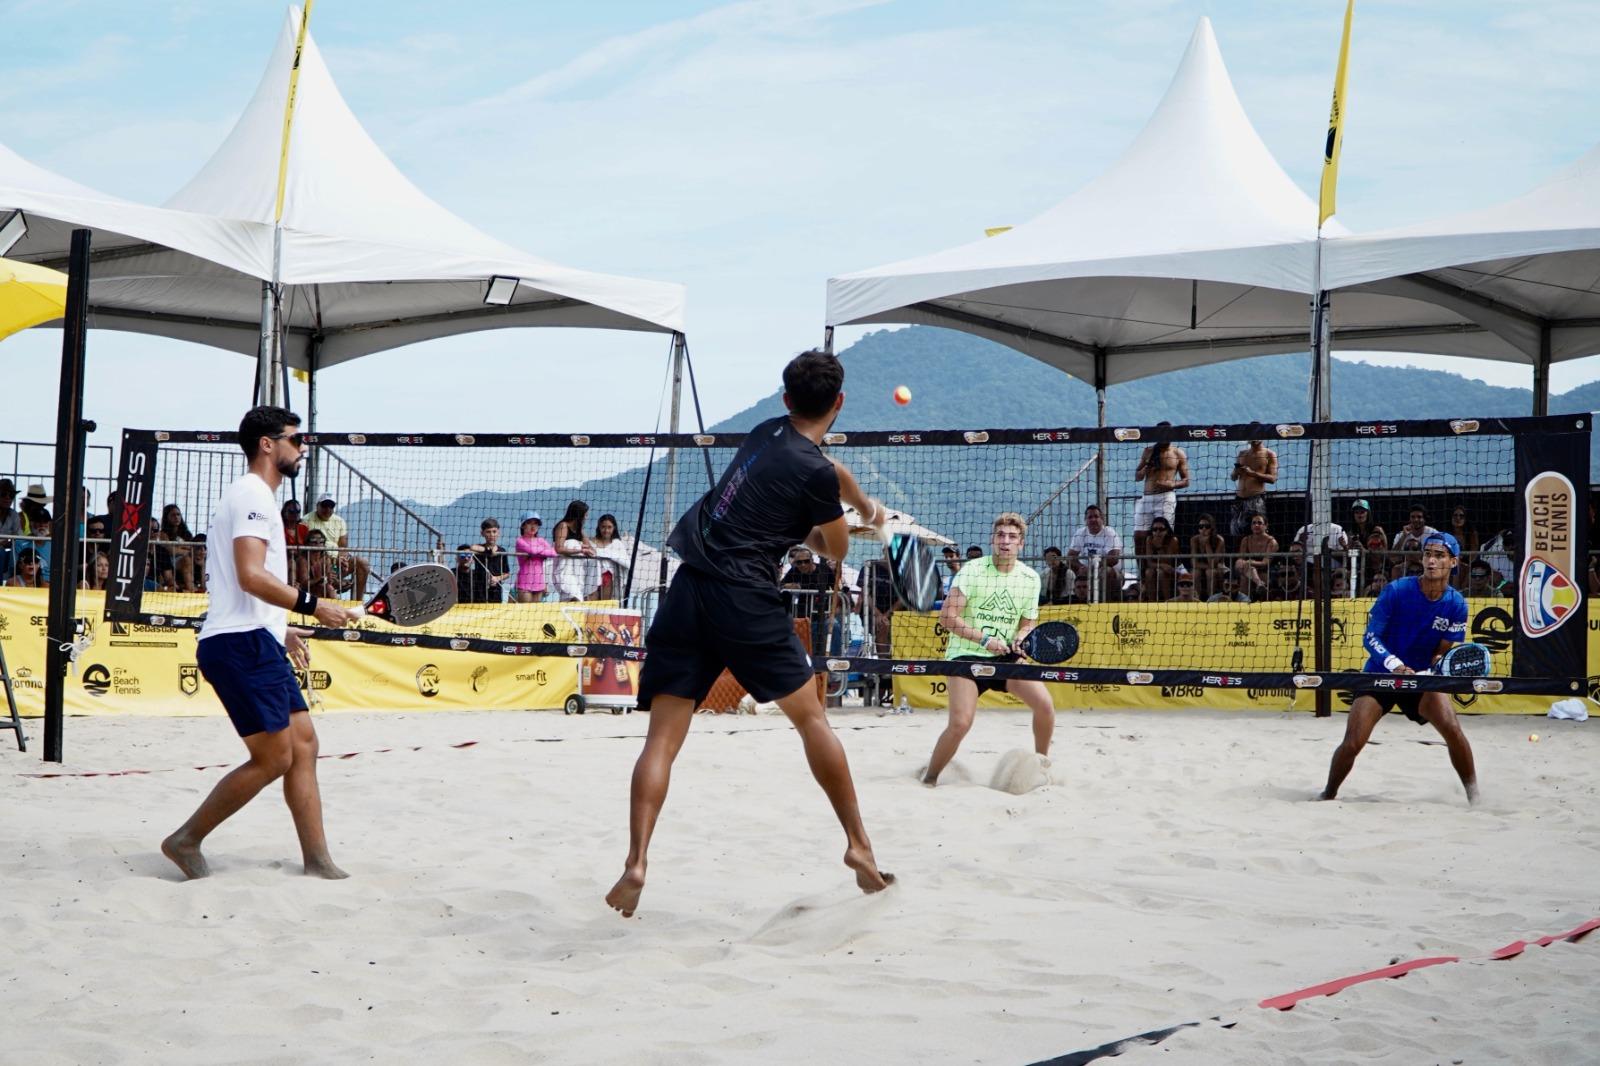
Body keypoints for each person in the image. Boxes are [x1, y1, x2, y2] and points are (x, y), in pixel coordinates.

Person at [606, 349, 892, 918]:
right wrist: (857, 524)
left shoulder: (765, 432)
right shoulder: (813, 472)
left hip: (689, 588)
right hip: (745, 598)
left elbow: (827, 472)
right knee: (812, 718)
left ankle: (636, 860)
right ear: (838, 403)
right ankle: (859, 847)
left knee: (660, 741)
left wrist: (860, 502)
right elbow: (833, 548)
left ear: (786, 400)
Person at [160, 405, 358, 881]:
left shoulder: (257, 497)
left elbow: (239, 582)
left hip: (254, 635)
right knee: (275, 757)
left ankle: (318, 861)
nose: (302, 447)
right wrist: (313, 605)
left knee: (305, 744)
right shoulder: (251, 494)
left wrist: (280, 626)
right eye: (295, 439)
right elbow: (250, 575)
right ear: (268, 445)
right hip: (238, 643)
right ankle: (185, 840)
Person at [1320, 531, 1477, 806]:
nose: (1431, 561)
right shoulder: (1397, 591)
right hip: (1381, 672)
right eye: (1428, 554)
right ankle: (1328, 793)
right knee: (1354, 741)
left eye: (1439, 556)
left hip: (1421, 680)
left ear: (1454, 562)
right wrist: (1396, 665)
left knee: (1453, 730)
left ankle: (1475, 797)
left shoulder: (1456, 605)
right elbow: (1371, 637)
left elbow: (1442, 650)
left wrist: (1435, 667)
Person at [922, 512, 1052, 787]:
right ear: (993, 540)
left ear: (1021, 544)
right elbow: (947, 617)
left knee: (1045, 706)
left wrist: (1021, 637)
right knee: (960, 723)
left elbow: (1029, 622)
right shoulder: (972, 570)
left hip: (1005, 655)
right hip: (967, 655)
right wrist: (984, 640)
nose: (1005, 541)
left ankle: (1041, 767)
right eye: (1001, 536)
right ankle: (930, 778)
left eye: (1012, 537)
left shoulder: (1030, 578)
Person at [1132, 422, 1190, 563]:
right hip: (1146, 498)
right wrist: (1144, 470)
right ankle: (1143, 572)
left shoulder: (1178, 453)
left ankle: (1165, 567)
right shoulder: (1148, 451)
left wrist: (1171, 484)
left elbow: (1186, 480)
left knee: (1164, 535)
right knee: (1139, 535)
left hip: (1165, 498)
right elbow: (1137, 476)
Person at [306, 496, 371, 598]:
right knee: (323, 564)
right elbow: (305, 548)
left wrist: (342, 560)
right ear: (317, 506)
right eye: (324, 506)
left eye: (331, 506)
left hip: (336, 562)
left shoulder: (339, 521)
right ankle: (334, 583)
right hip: (316, 562)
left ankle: (358, 602)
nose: (328, 509)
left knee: (362, 563)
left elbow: (343, 547)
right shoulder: (306, 520)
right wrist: (332, 560)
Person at [1066, 504, 1122, 601]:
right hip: (1086, 572)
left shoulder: (1109, 533)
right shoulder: (1080, 533)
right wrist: (1080, 567)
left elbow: (1114, 559)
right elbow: (1070, 557)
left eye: (1096, 516)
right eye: (1090, 517)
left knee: (1105, 571)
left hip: (1114, 575)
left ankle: (1103, 603)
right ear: (1085, 520)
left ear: (1102, 519)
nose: (1093, 520)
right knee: (1068, 567)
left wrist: (1092, 568)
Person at [1228, 439, 1277, 539]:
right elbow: (1233, 477)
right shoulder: (1242, 453)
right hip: (1239, 500)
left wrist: (1252, 473)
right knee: (1236, 532)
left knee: (1257, 531)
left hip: (1256, 499)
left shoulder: (1269, 454)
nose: (1254, 439)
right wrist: (1236, 471)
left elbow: (1272, 479)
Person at [551, 499, 596, 601]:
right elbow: (559, 548)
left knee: (574, 598)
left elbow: (591, 549)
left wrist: (585, 548)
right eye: (585, 515)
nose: (586, 518)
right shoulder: (563, 526)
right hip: (564, 569)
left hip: (577, 571)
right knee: (572, 596)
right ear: (579, 515)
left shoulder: (580, 531)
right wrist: (579, 549)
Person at [464, 518, 510, 603]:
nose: (492, 534)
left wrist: (497, 578)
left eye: (494, 531)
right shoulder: (478, 548)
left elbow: (507, 573)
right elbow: (472, 548)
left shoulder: (502, 551)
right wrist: (488, 551)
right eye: (488, 532)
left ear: (498, 532)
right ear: (482, 533)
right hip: (479, 589)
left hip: (496, 589)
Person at [513, 512, 556, 603]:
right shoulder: (520, 541)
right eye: (529, 523)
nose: (533, 526)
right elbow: (532, 550)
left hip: (539, 583)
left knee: (535, 614)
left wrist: (537, 552)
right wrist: (543, 552)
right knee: (525, 613)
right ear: (523, 525)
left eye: (536, 523)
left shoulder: (541, 540)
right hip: (525, 582)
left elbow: (553, 552)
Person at [154, 503, 196, 592]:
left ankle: (191, 587)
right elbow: (171, 550)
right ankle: (191, 588)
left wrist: (179, 548)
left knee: (188, 560)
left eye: (178, 514)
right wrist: (184, 549)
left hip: (185, 560)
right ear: (167, 517)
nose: (176, 517)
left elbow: (193, 548)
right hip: (169, 561)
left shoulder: (186, 534)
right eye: (173, 515)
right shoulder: (163, 534)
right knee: (187, 560)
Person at [589, 513, 630, 601]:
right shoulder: (591, 542)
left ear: (614, 528)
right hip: (591, 578)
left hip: (608, 578)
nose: (606, 530)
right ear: (599, 527)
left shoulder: (617, 544)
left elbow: (627, 562)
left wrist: (606, 554)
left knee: (604, 605)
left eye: (609, 527)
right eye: (603, 527)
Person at [1389, 504, 1437, 580]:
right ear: (1409, 519)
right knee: (1396, 569)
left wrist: (1419, 561)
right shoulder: (1401, 534)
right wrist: (1404, 536)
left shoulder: (1433, 534)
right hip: (1405, 568)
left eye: (1419, 517)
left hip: (1427, 567)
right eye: (1413, 517)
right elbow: (1392, 557)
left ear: (1424, 519)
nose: (1416, 519)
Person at [1235, 512, 1277, 597]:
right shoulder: (1246, 540)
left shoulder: (1271, 542)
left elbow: (1266, 563)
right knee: (1240, 564)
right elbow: (1241, 560)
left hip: (1266, 569)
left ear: (1266, 525)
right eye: (1254, 523)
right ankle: (1259, 583)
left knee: (1245, 577)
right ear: (1251, 526)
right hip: (1248, 568)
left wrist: (1250, 562)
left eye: (1259, 523)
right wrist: (1247, 563)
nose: (1256, 525)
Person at [1140, 515, 1181, 600]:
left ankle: (1167, 602)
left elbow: (1168, 562)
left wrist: (1159, 547)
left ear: (1167, 530)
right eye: (1155, 529)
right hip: (1159, 568)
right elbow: (1149, 563)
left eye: (1161, 529)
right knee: (1149, 572)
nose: (1158, 532)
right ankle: (1152, 603)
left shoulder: (1173, 540)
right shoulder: (1149, 539)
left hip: (1174, 569)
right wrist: (1161, 565)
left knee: (1162, 573)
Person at [1188, 513, 1227, 601]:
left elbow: (1213, 563)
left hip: (1219, 566)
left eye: (1207, 526)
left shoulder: (1219, 540)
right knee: (1195, 572)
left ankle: (1211, 599)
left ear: (1212, 528)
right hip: (1203, 566)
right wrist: (1207, 566)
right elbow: (1194, 563)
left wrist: (1207, 544)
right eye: (1201, 527)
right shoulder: (1194, 540)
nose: (1204, 529)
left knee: (1210, 572)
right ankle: (1196, 599)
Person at [1447, 505, 1482, 591]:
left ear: (1465, 519)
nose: (1458, 518)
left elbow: (1474, 554)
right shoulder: (1447, 534)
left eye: (1461, 516)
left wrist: (1467, 564)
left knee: (1467, 569)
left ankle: (1459, 592)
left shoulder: (1471, 534)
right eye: (1455, 515)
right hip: (1450, 564)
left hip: (1468, 565)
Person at [281, 500, 311, 589]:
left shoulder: (303, 529)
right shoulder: (280, 528)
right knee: (292, 562)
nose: (295, 514)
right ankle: (293, 586)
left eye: (298, 511)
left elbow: (308, 546)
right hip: (285, 560)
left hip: (301, 560)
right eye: (292, 511)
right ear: (284, 512)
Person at [0, 478, 20, 582]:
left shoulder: (14, 515)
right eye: (3, 494)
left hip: (8, 551)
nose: (8, 498)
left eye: (11, 495)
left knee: (19, 553)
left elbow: (19, 538)